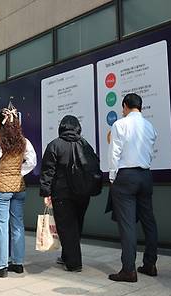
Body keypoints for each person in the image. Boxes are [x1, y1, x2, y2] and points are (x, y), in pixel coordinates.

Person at [108, 93, 159, 283]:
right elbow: (150, 149)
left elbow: (115, 152)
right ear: (141, 107)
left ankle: (128, 270)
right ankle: (150, 264)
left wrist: (112, 177)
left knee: (127, 224)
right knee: (149, 220)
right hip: (145, 175)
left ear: (125, 106)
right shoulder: (149, 126)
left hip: (126, 176)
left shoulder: (120, 124)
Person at [0, 106, 37, 278]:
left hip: (2, 188)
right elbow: (33, 162)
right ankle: (18, 263)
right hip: (19, 187)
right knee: (18, 225)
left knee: (1, 225)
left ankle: (1, 266)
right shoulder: (24, 141)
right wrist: (19, 172)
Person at [40, 115, 96, 272]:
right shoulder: (85, 145)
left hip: (62, 194)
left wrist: (46, 193)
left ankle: (74, 263)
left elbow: (47, 171)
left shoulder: (54, 145)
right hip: (83, 194)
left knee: (66, 227)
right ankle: (66, 256)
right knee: (76, 225)